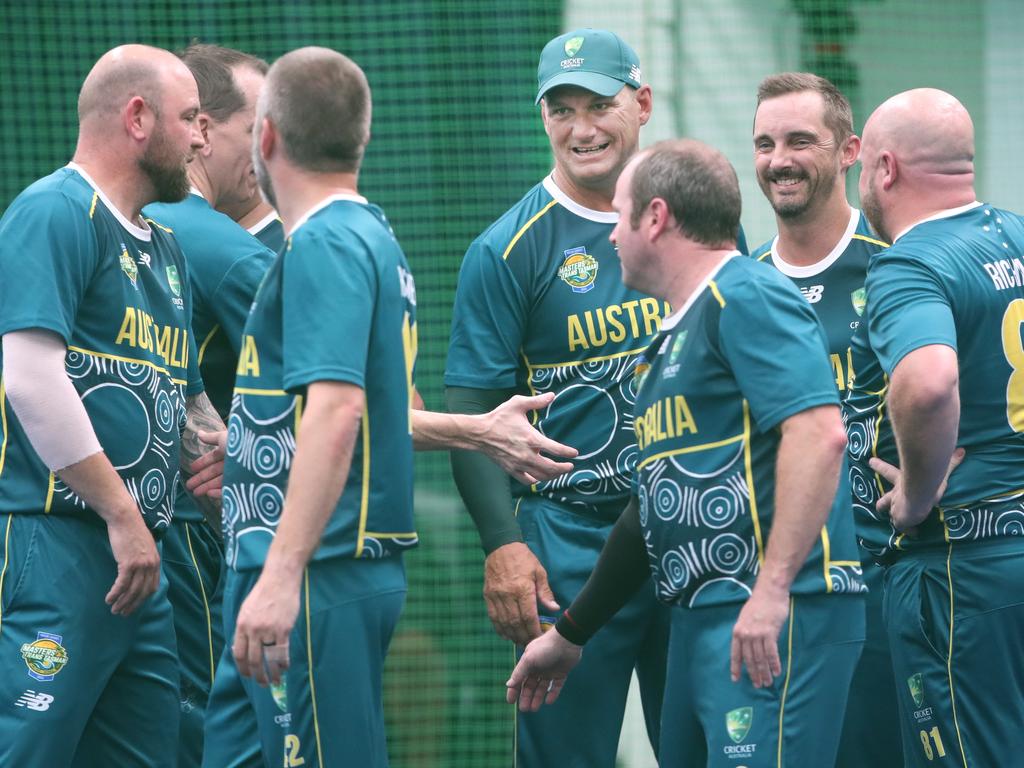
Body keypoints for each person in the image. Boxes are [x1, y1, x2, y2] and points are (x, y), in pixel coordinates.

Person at [507, 139, 866, 767]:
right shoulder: (672, 334)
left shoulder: (746, 293)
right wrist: (571, 634)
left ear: (655, 216)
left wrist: (774, 591)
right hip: (700, 618)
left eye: (619, 217)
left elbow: (819, 434)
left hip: (775, 613)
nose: (612, 236)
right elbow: (649, 507)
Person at [446, 28, 677, 765]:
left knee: (713, 746)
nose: (581, 129)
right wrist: (503, 545)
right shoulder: (507, 249)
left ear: (640, 104)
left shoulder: (694, 216)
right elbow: (472, 420)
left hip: (691, 530)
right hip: (569, 544)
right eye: (562, 109)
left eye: (600, 105)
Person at [0, 44, 224, 766]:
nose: (201, 138)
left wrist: (237, 471)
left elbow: (190, 403)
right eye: (190, 118)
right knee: (28, 747)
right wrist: (123, 516)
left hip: (139, 560)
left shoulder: (166, 250)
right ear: (137, 118)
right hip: (56, 542)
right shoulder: (54, 212)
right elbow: (31, 377)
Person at [848, 88, 1024, 767]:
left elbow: (926, 384)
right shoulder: (1015, 234)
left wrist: (918, 494)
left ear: (885, 170)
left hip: (964, 572)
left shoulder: (911, 264)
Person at [749, 72, 899, 768]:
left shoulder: (899, 270)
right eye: (765, 143)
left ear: (850, 151)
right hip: (769, 595)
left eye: (800, 141)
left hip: (885, 582)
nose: (779, 159)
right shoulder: (738, 288)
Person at [143, 42, 276, 768]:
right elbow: (345, 396)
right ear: (201, 129)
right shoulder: (224, 248)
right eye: (254, 123)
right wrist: (472, 431)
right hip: (192, 542)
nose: (265, 147)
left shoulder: (126, 232)